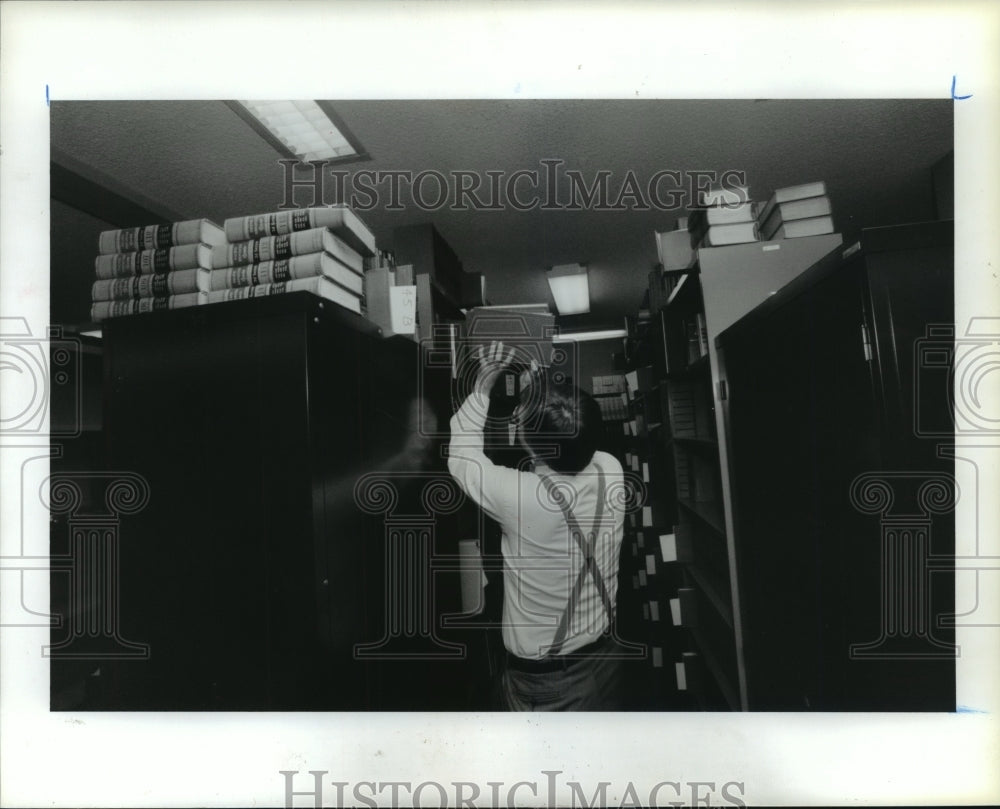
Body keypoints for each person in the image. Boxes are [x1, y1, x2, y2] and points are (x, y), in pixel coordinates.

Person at [447, 341, 627, 710]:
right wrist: (538, 399)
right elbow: (573, 434)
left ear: (529, 445)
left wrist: (482, 388)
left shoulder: (521, 498)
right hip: (605, 661)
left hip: (551, 685)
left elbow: (463, 456)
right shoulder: (611, 469)